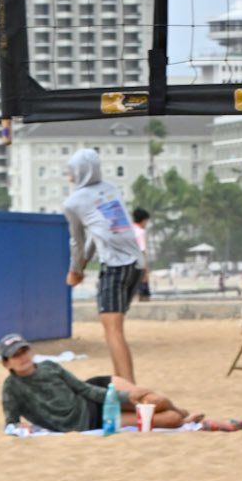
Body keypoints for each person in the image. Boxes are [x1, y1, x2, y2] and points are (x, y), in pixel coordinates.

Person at [0, 333, 242, 432]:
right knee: (168, 420)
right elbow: (10, 422)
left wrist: (122, 398)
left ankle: (186, 413)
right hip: (89, 420)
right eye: (15, 356)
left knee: (153, 400)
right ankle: (185, 418)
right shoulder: (12, 389)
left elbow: (82, 388)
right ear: (6, 364)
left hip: (96, 392)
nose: (22, 358)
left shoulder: (49, 366)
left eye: (24, 351)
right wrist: (22, 426)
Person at [63, 147, 144, 382]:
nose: (69, 174)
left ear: (78, 172)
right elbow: (96, 235)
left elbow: (77, 242)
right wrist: (82, 266)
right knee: (115, 328)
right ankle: (122, 382)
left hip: (116, 266)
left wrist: (74, 271)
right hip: (135, 263)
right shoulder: (110, 190)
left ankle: (129, 389)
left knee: (113, 331)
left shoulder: (73, 202)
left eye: (71, 170)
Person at [131, 206, 153, 300]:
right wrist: (146, 271)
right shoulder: (140, 232)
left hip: (128, 265)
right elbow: (142, 252)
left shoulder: (129, 230)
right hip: (139, 266)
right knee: (144, 294)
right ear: (144, 220)